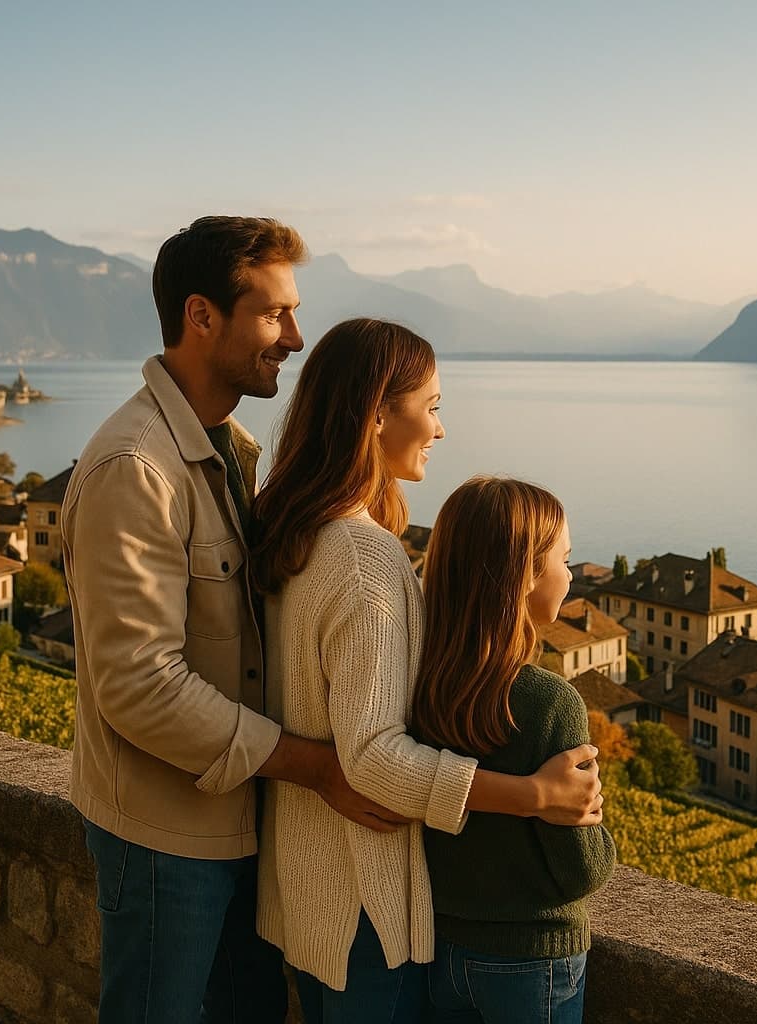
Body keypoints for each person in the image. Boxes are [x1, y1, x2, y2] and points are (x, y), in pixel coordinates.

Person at [62, 217, 407, 1024]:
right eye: (274, 314)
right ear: (201, 316)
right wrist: (316, 766)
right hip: (163, 842)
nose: (294, 336)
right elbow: (141, 686)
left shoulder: (234, 451)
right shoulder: (134, 469)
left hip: (237, 829)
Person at [250, 319, 604, 1023]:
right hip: (367, 907)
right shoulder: (363, 558)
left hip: (305, 889)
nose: (440, 429)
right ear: (378, 413)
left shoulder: (291, 532)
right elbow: (374, 756)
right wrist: (533, 796)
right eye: (432, 405)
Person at [413, 476, 617, 1024]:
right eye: (564, 560)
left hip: (440, 951)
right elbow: (582, 870)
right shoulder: (550, 703)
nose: (571, 575)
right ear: (526, 574)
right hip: (534, 961)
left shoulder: (418, 688)